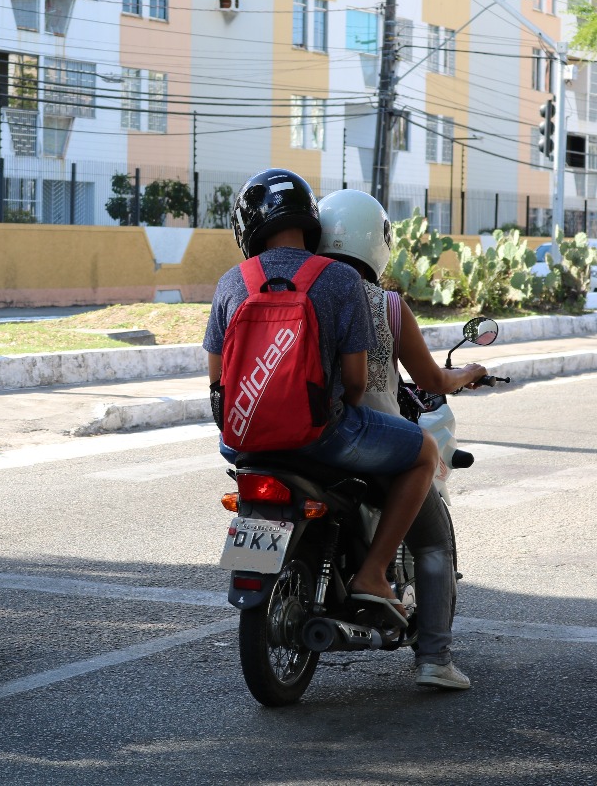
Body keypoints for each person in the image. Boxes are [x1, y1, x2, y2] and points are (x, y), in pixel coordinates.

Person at [204, 169, 437, 625]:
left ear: (248, 227)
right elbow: (355, 383)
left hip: (243, 443)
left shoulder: (232, 282)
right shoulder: (339, 279)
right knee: (424, 452)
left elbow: (217, 380)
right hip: (321, 436)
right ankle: (373, 573)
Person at [317, 188, 487, 691]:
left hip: (300, 437)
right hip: (367, 443)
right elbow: (431, 380)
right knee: (433, 539)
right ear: (379, 242)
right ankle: (434, 658)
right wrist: (469, 372)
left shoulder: (304, 289)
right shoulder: (387, 305)